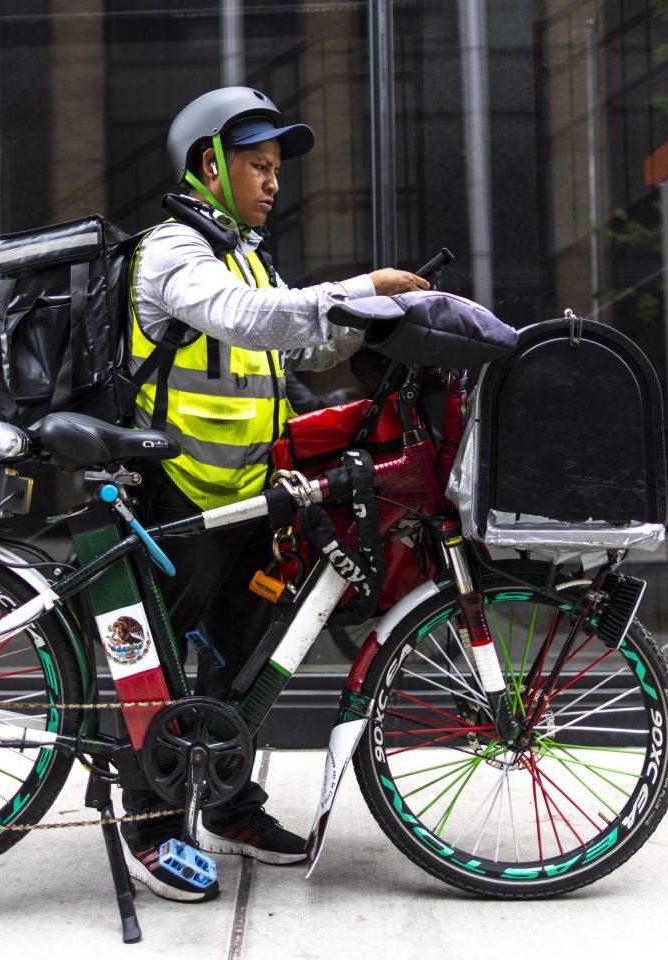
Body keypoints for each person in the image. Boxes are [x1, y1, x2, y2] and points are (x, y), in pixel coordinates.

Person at [118, 86, 428, 902]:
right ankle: (149, 827)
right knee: (152, 669)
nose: (273, 182)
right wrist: (351, 290)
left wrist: (379, 319)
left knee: (246, 655)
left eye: (277, 168)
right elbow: (245, 318)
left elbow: (294, 350)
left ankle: (227, 805)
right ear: (208, 165)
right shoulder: (174, 250)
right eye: (257, 165)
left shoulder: (249, 256)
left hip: (250, 494)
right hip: (177, 493)